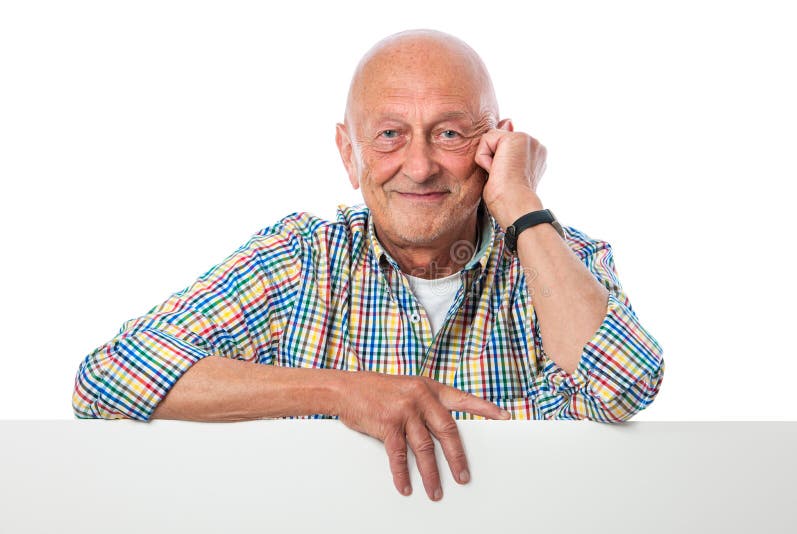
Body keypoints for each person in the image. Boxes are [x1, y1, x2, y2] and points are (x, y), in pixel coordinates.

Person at [72, 29, 665, 501]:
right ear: (348, 153)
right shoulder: (301, 261)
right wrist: (343, 392)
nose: (420, 164)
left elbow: (623, 384)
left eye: (450, 133)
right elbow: (109, 378)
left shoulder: (557, 259)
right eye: (388, 134)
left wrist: (520, 204)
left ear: (497, 144)